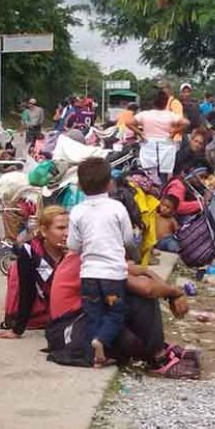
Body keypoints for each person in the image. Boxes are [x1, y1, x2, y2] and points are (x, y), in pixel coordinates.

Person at [49, 252, 191, 373]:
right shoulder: (90, 258)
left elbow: (139, 273)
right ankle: (159, 357)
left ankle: (158, 349)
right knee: (137, 298)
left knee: (124, 305)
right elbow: (147, 289)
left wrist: (166, 289)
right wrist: (175, 292)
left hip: (82, 322)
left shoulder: (95, 252)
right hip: (71, 331)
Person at [67, 157, 134, 366]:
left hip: (89, 275)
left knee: (93, 314)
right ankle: (101, 340)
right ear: (109, 183)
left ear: (79, 185)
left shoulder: (77, 211)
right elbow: (128, 239)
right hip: (113, 275)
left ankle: (95, 357)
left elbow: (74, 245)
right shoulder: (117, 208)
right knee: (116, 311)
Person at [0, 206, 69, 339]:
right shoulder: (30, 251)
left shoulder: (75, 251)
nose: (67, 233)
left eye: (69, 228)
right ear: (44, 231)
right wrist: (17, 330)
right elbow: (27, 291)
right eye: (60, 228)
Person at [131, 89, 188, 181]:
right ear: (165, 103)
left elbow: (129, 123)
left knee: (149, 176)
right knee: (163, 177)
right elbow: (185, 123)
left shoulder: (145, 114)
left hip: (149, 148)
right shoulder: (169, 115)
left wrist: (140, 133)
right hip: (165, 148)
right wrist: (173, 133)